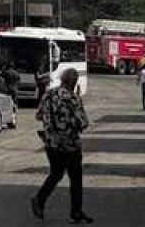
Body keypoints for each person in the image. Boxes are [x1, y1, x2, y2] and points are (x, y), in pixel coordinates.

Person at [32, 68, 92, 224]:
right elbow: (83, 123)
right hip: (70, 144)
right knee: (76, 178)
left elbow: (39, 115)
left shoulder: (48, 95)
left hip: (51, 142)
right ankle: (75, 212)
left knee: (56, 173)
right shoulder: (73, 98)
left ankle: (40, 199)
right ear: (74, 82)